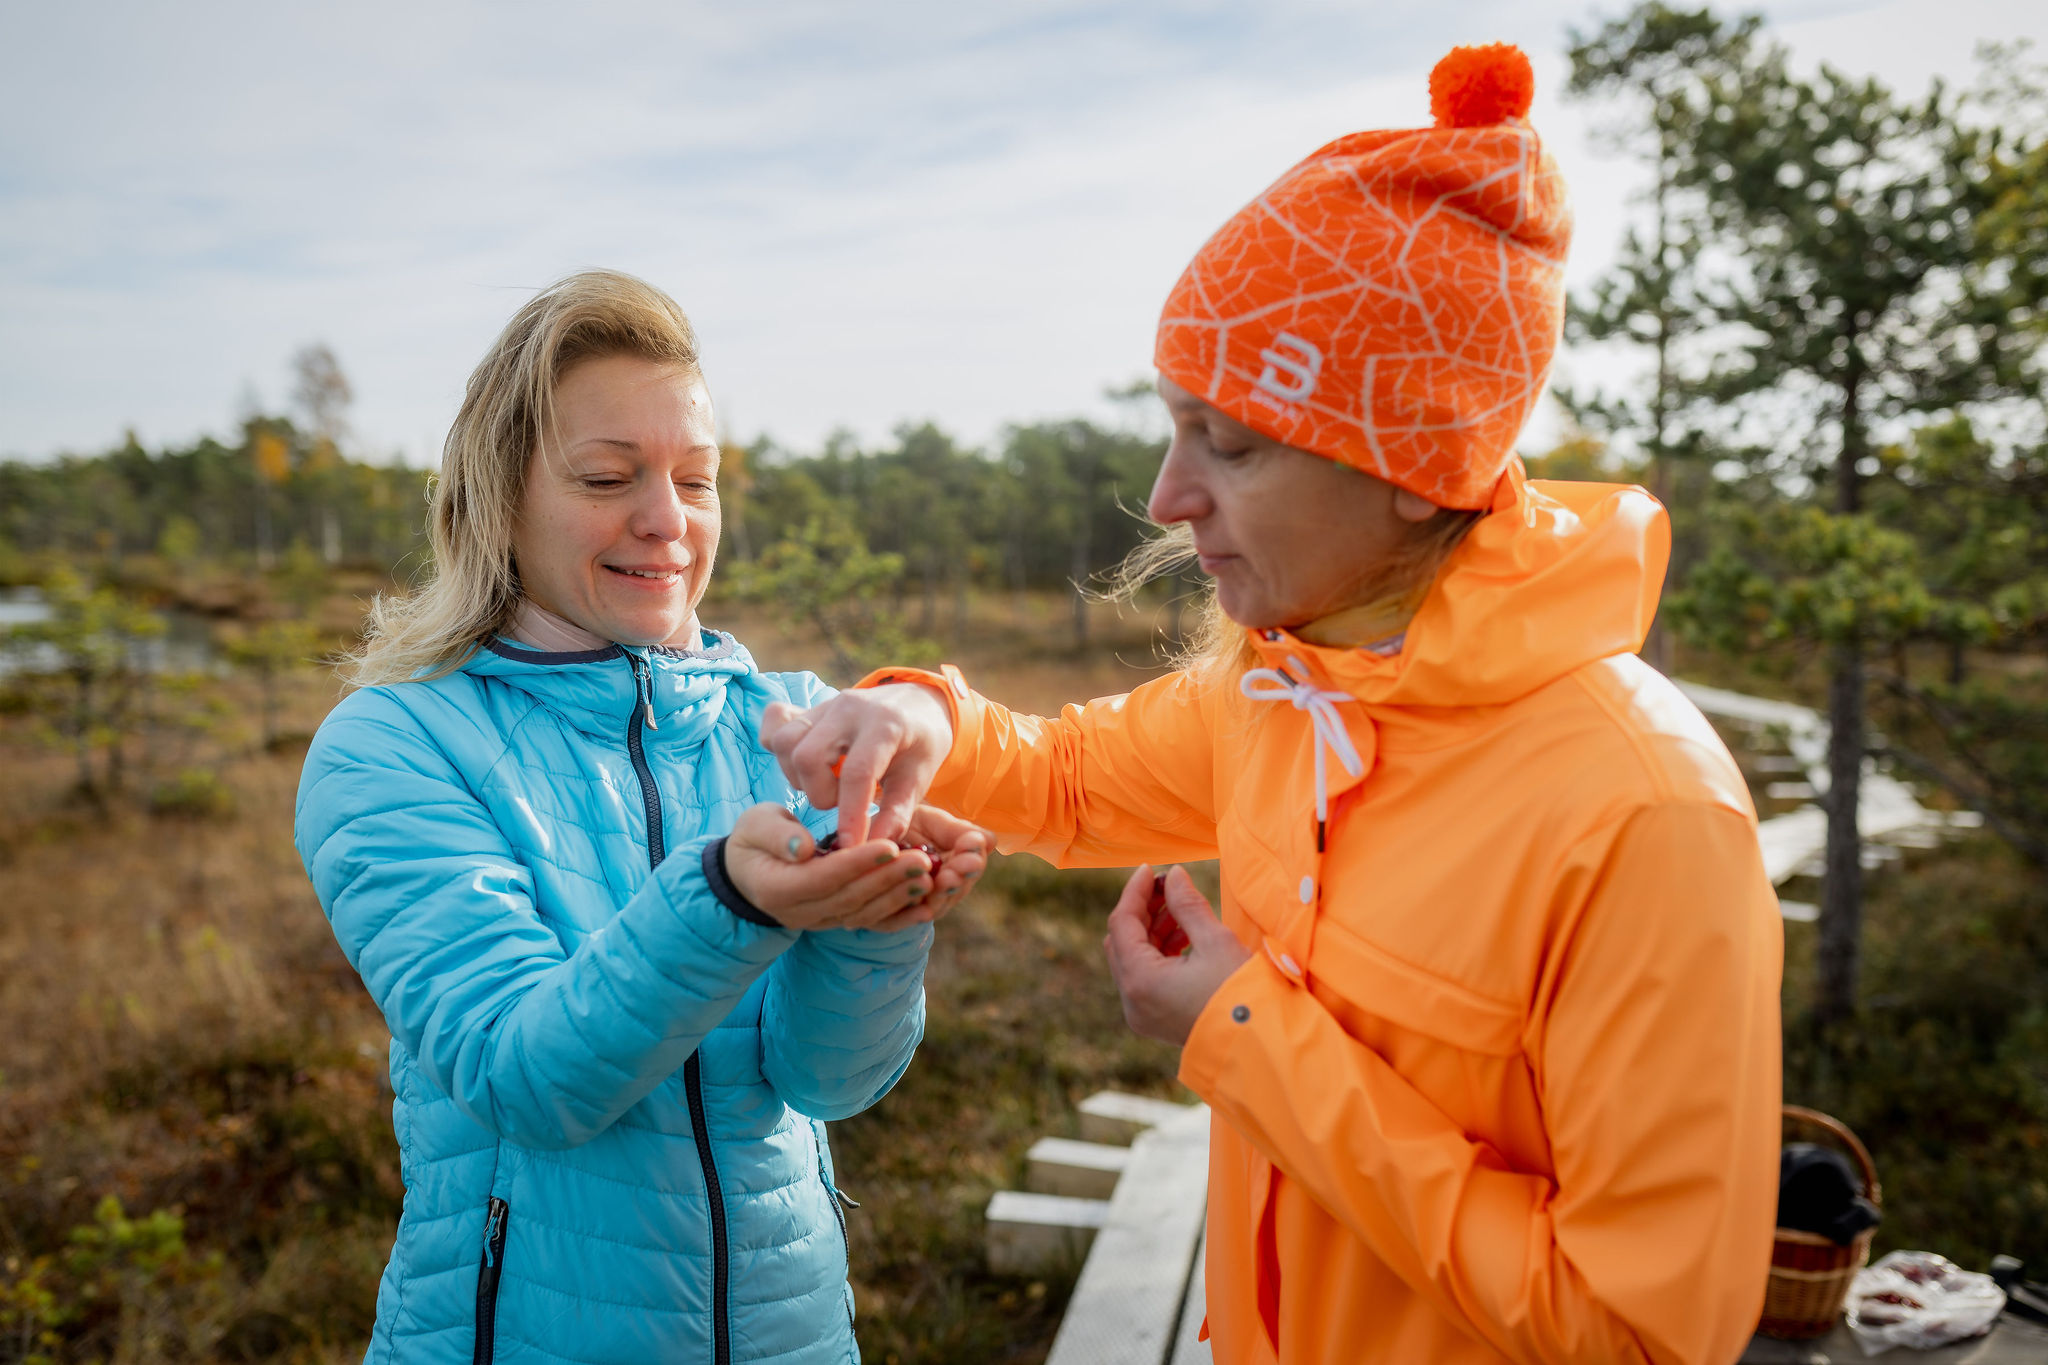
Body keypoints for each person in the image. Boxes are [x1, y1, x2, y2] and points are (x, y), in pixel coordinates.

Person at [764, 45, 1783, 1365]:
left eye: (1231, 445)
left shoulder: (1646, 816)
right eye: (1176, 425)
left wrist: (1241, 1033)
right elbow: (1066, 780)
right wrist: (924, 722)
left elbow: (1638, 1328)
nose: (1170, 494)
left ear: (1421, 468)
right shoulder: (1285, 688)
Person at [293, 269, 987, 1365]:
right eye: (609, 476)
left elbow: (827, 1081)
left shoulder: (790, 723)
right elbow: (525, 1078)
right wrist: (726, 898)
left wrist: (877, 909)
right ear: (497, 498)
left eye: (696, 481)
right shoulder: (394, 745)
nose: (665, 521)